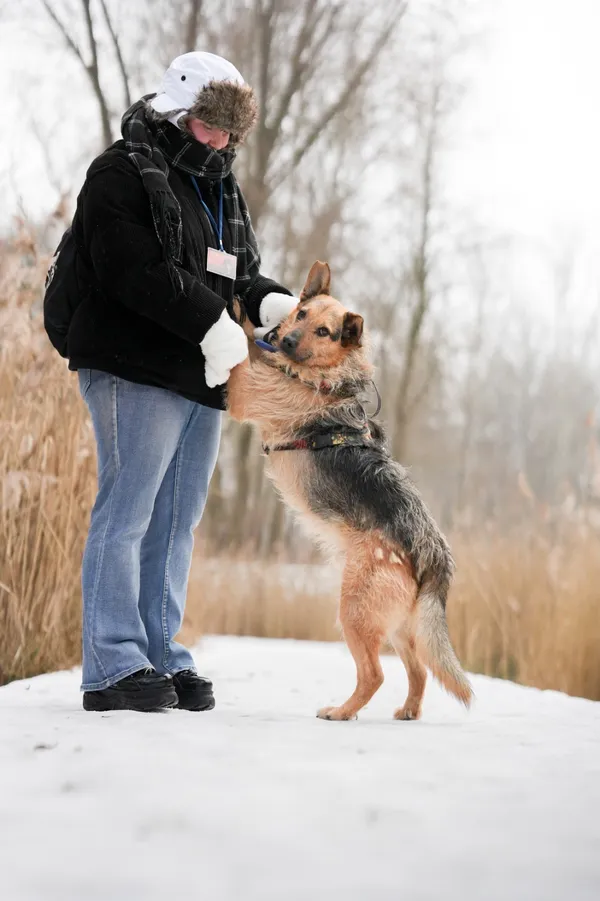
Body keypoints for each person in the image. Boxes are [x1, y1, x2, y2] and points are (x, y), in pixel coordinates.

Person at [64, 51, 298, 712]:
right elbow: (128, 267)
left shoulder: (219, 186)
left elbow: (236, 273)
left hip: (201, 376)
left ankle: (160, 652)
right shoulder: (121, 171)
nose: (221, 141)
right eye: (209, 126)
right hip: (132, 365)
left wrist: (271, 303)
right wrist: (208, 321)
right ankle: (112, 662)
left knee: (175, 521)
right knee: (129, 509)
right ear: (177, 109)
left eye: (230, 131)